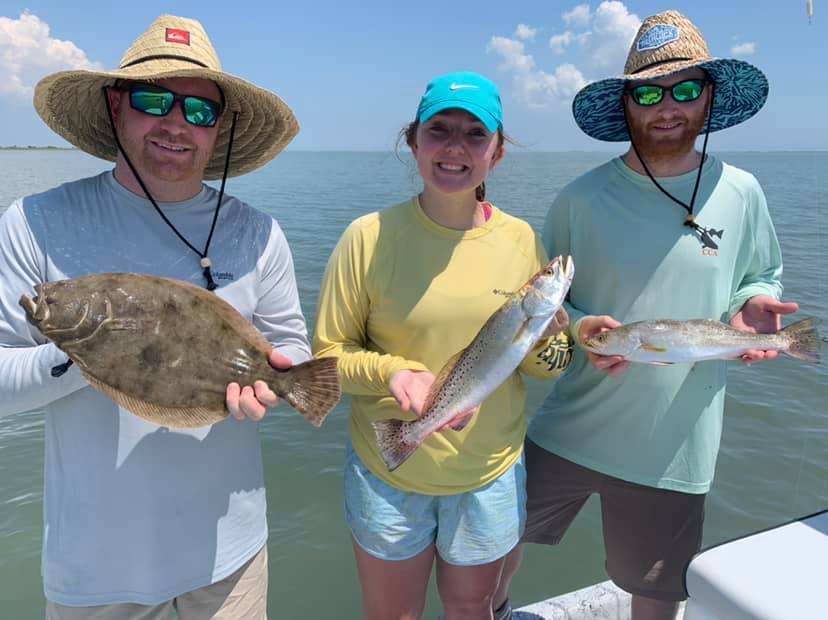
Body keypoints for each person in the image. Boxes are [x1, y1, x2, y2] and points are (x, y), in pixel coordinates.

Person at [0, 14, 307, 619]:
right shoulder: (33, 221)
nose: (175, 123)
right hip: (93, 567)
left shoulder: (259, 233)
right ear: (116, 106)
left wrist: (280, 381)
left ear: (219, 129)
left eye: (200, 110)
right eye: (152, 99)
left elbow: (289, 345)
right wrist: (86, 349)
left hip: (231, 557)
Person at [495, 10, 799, 620]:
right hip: (569, 426)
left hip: (678, 445)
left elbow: (759, 277)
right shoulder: (579, 199)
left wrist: (753, 306)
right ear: (627, 105)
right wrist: (580, 328)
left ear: (709, 98)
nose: (668, 107)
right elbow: (541, 301)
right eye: (649, 93)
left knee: (658, 591)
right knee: (495, 545)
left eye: (686, 89)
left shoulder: (742, 193)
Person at [312, 71, 571, 620]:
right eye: (440, 130)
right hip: (389, 472)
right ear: (414, 141)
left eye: (476, 134)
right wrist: (394, 375)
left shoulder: (522, 240)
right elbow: (327, 358)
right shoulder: (368, 236)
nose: (456, 147)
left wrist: (552, 343)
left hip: (489, 472)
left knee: (473, 608)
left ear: (497, 154)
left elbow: (546, 369)